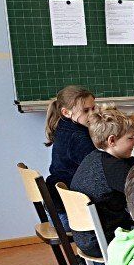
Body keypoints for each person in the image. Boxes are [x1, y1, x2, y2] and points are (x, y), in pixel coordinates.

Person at [69, 105, 134, 262]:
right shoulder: (113, 168)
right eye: (130, 138)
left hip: (87, 237)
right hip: (104, 240)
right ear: (112, 140)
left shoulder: (94, 157)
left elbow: (131, 162)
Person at [45, 85, 97, 218]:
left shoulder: (63, 126)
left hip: (56, 206)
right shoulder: (77, 137)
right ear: (66, 112)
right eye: (86, 110)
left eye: (93, 108)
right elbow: (97, 165)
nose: (92, 114)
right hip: (68, 213)